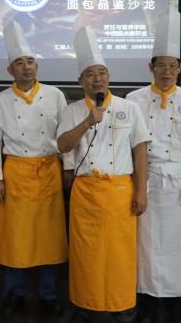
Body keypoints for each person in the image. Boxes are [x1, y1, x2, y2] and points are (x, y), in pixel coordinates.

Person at [57, 26, 150, 323]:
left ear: (109, 77)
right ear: (81, 81)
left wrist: (141, 190)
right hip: (86, 192)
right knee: (87, 253)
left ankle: (122, 305)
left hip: (120, 192)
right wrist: (88, 121)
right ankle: (87, 304)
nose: (97, 79)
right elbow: (63, 145)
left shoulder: (129, 108)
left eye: (102, 73)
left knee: (120, 253)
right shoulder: (73, 111)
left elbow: (140, 151)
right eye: (90, 74)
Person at [0, 20, 70, 318]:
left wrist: (68, 169)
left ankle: (48, 294)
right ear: (10, 69)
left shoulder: (55, 95)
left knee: (50, 236)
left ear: (37, 65)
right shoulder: (0, 101)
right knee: (16, 237)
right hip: (16, 172)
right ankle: (15, 293)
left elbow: (65, 137)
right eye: (19, 63)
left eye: (30, 61)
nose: (26, 67)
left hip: (49, 170)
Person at [125, 10, 181, 323]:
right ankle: (145, 298)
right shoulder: (134, 99)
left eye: (172, 66)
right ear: (151, 67)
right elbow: (130, 145)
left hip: (176, 182)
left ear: (180, 68)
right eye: (161, 65)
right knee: (145, 243)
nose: (167, 71)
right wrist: (135, 184)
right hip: (145, 180)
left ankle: (176, 300)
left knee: (176, 244)